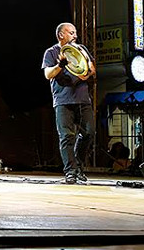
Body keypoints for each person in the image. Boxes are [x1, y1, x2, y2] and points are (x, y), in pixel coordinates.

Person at [42, 22, 96, 184]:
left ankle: (78, 165)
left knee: (89, 132)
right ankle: (71, 171)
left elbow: (92, 68)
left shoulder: (81, 49)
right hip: (63, 100)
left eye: (75, 33)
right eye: (71, 33)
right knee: (66, 136)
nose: (75, 35)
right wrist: (60, 65)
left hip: (83, 99)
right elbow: (48, 74)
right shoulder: (51, 52)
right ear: (61, 35)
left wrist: (85, 74)